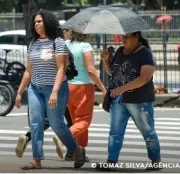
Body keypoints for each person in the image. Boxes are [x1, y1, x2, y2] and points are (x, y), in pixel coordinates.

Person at [15, 9, 86, 170]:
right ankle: (36, 160)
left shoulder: (58, 42)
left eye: (39, 21)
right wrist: (19, 92)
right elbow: (28, 71)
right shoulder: (33, 43)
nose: (37, 24)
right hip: (35, 88)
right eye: (35, 22)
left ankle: (76, 149)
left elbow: (61, 69)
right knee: (35, 123)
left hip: (56, 89)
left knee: (57, 124)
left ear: (48, 22)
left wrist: (54, 92)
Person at [95, 31, 161, 171]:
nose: (123, 40)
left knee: (147, 131)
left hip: (140, 100)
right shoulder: (120, 51)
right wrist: (106, 61)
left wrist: (122, 88)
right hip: (119, 100)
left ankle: (156, 160)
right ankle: (111, 161)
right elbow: (114, 73)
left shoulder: (145, 53)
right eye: (122, 37)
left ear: (136, 37)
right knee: (115, 131)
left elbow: (144, 78)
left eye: (126, 37)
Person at [52, 27, 106, 161]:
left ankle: (80, 152)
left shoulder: (65, 45)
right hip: (83, 87)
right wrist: (103, 89)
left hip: (67, 87)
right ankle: (62, 138)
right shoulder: (85, 46)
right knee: (84, 121)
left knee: (77, 121)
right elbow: (91, 71)